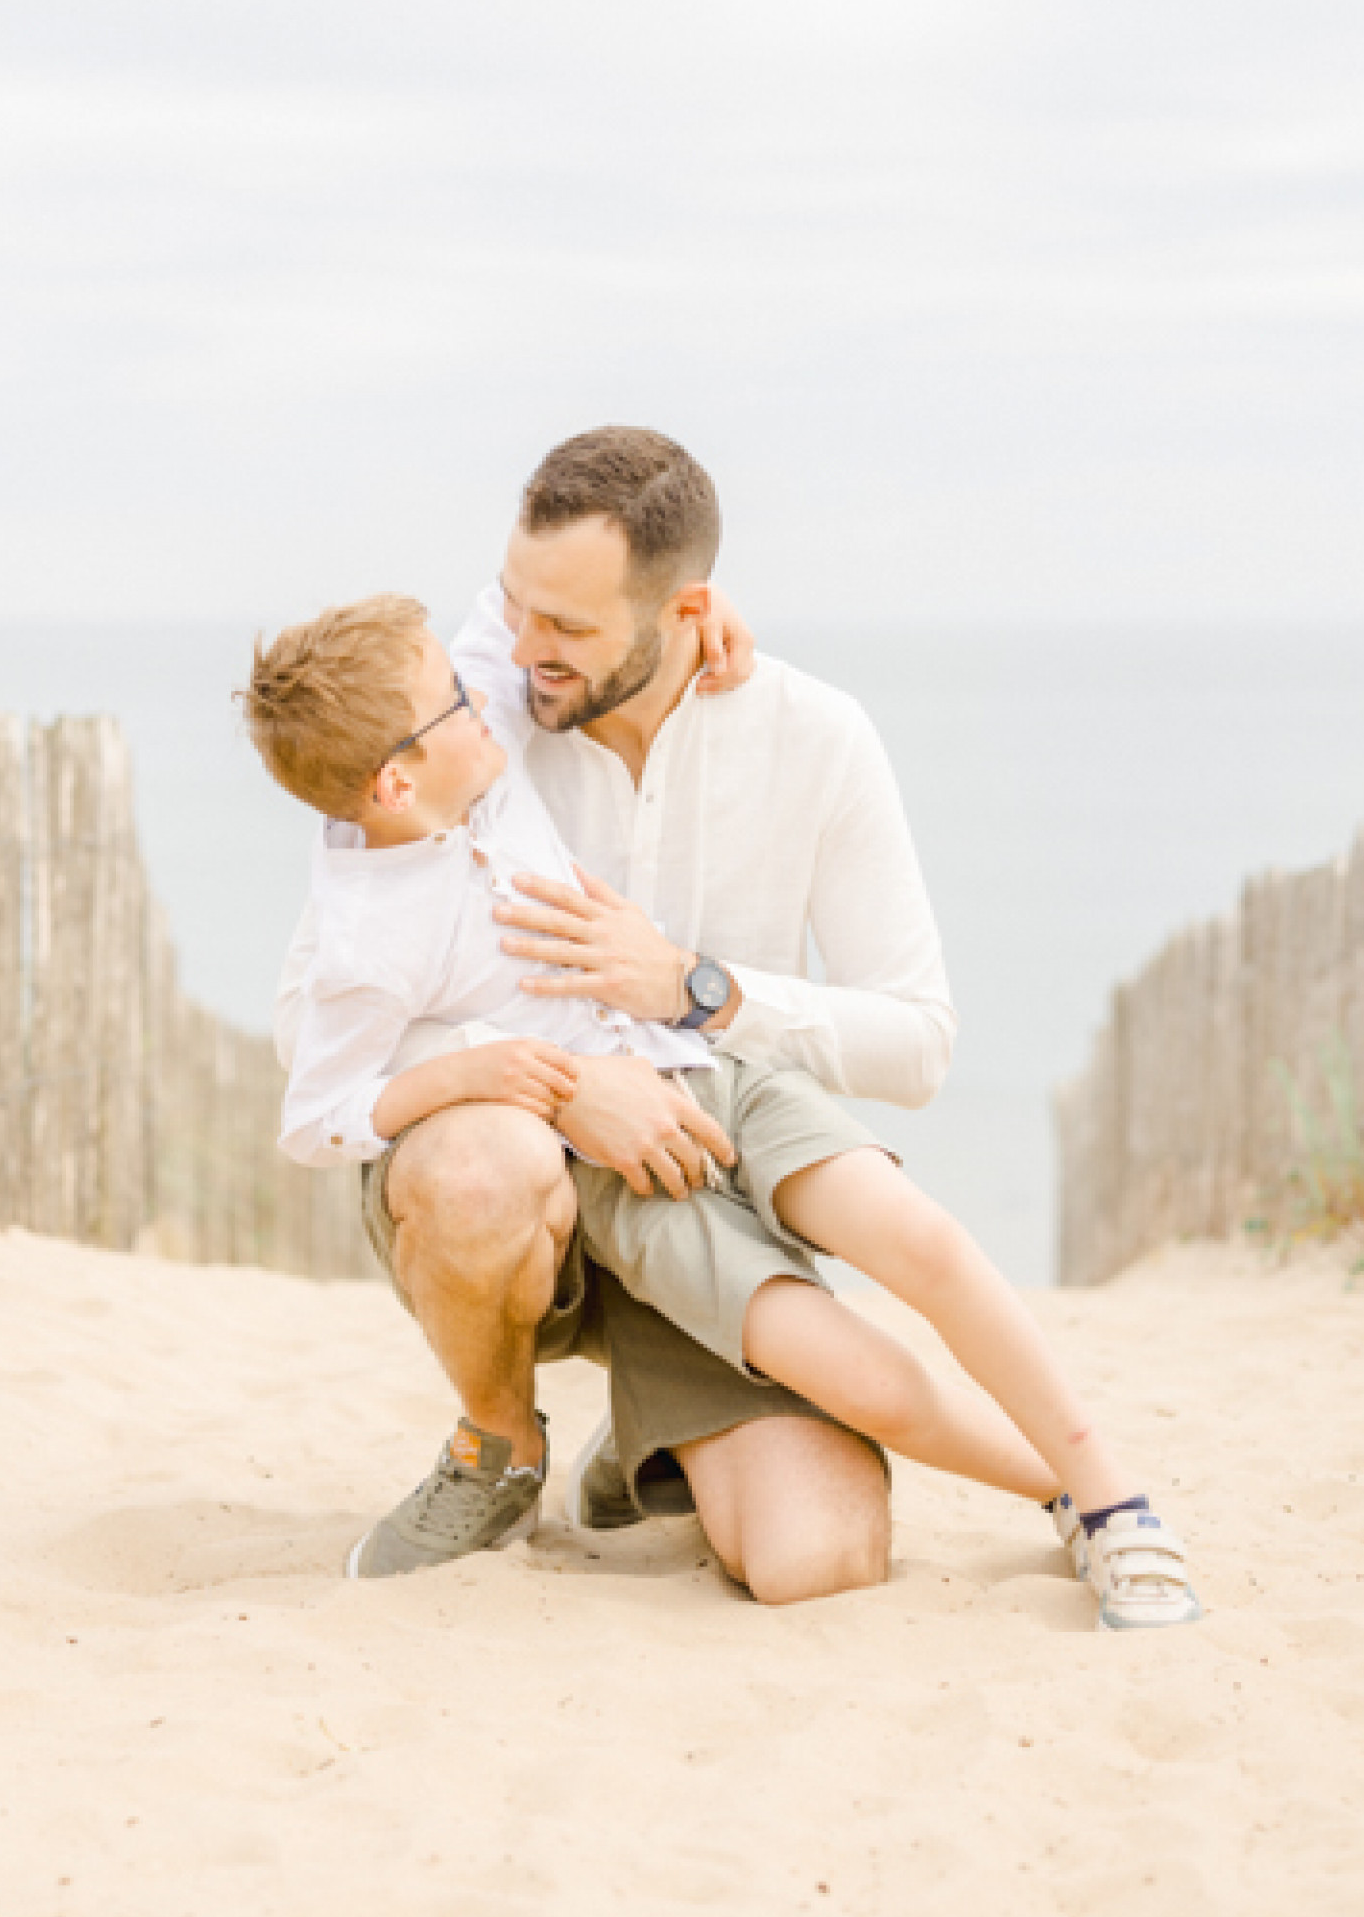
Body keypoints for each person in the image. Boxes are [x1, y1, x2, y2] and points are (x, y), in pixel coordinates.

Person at [248, 570, 1202, 1633]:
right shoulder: (361, 933)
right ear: (391, 784)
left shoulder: (477, 759)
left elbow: (528, 578)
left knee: (917, 1238)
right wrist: (485, 1066)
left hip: (706, 1069)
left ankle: (1120, 1500)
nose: (498, 686)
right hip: (624, 1169)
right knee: (857, 1376)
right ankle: (1062, 1495)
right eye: (461, 706)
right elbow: (317, 1111)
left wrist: (682, 606)